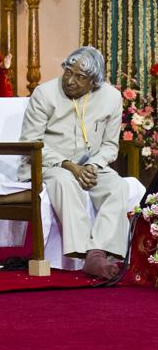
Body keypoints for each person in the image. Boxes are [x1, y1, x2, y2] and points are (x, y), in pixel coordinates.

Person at [18, 46, 130, 279]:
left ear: (94, 82)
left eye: (80, 77)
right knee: (64, 180)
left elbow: (110, 146)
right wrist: (69, 165)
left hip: (90, 166)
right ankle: (83, 252)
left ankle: (98, 253)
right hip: (47, 165)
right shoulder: (44, 94)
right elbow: (30, 142)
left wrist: (92, 166)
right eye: (68, 72)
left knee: (117, 186)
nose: (70, 81)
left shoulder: (111, 97)